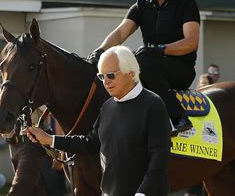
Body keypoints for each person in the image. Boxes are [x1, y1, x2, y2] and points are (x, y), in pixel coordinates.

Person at [87, 0, 200, 134]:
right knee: (120, 66)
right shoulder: (141, 5)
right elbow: (120, 34)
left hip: (180, 70)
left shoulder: (186, 3)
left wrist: (160, 50)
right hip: (148, 66)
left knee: (143, 60)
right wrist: (100, 52)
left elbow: (191, 42)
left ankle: (178, 118)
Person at [28, 46, 171, 196]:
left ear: (131, 73)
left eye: (111, 75)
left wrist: (142, 193)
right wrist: (49, 139)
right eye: (102, 77)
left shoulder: (154, 104)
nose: (106, 82)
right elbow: (90, 143)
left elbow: (159, 159)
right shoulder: (107, 107)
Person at [0, 107, 66, 196]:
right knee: (34, 191)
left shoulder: (32, 92)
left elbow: (57, 115)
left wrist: (59, 151)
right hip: (13, 146)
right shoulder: (4, 94)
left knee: (20, 188)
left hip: (34, 144)